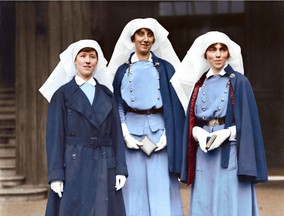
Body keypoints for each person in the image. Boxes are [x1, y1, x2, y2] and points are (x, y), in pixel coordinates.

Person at [171, 31, 268, 215]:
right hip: (204, 152)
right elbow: (193, 119)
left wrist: (226, 133)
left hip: (229, 152)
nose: (217, 54)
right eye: (213, 50)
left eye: (222, 50)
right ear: (205, 54)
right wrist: (197, 132)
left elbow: (248, 123)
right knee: (204, 202)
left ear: (228, 54)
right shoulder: (199, 84)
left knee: (229, 200)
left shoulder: (239, 82)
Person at [39, 39, 128, 216]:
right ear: (75, 61)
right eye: (83, 56)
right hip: (74, 164)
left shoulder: (106, 94)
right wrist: (56, 174)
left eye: (92, 56)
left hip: (104, 161)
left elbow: (117, 135)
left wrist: (121, 169)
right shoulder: (62, 94)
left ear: (97, 62)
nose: (88, 60)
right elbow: (55, 137)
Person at [107, 18, 185, 216]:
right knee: (133, 190)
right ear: (132, 38)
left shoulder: (166, 68)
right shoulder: (122, 70)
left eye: (149, 34)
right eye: (141, 34)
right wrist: (124, 133)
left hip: (159, 132)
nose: (145, 39)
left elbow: (174, 106)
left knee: (161, 188)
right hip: (131, 135)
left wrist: (168, 135)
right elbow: (117, 104)